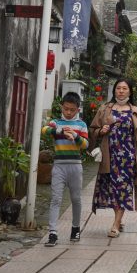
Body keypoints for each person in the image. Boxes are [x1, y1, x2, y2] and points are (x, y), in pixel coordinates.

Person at [88, 78, 137, 238]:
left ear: (130, 91)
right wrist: (101, 131)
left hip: (128, 157)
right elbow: (93, 129)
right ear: (114, 90)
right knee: (112, 189)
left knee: (123, 189)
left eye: (124, 88)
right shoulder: (105, 109)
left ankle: (115, 224)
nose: (121, 91)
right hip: (110, 156)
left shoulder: (135, 111)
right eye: (118, 88)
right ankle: (119, 218)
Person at [44, 92, 89, 247]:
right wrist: (61, 131)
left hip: (75, 166)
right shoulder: (56, 122)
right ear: (61, 107)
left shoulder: (81, 125)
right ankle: (52, 232)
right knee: (56, 198)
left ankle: (75, 228)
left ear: (78, 109)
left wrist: (75, 136)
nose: (68, 112)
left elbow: (86, 144)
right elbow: (44, 130)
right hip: (59, 166)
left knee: (76, 199)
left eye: (72, 110)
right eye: (66, 108)